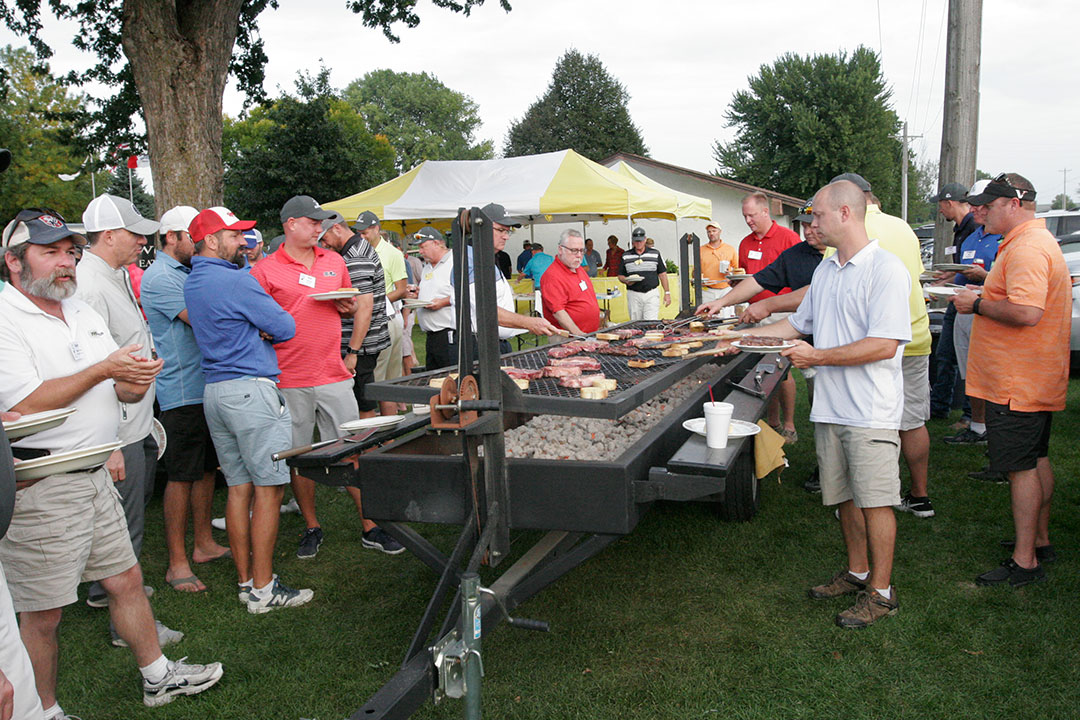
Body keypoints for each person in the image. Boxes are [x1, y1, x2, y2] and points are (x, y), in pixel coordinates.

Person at [0, 210, 222, 713]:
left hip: (95, 470)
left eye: (70, 251)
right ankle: (44, 710)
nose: (66, 262)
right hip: (44, 482)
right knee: (43, 614)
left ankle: (158, 676)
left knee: (124, 579)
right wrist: (104, 369)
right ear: (14, 262)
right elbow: (27, 402)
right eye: (50, 252)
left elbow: (117, 387)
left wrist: (134, 379)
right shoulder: (5, 319)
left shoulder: (78, 309)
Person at [725, 180, 912, 627]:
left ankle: (882, 594)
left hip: (869, 410)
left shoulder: (885, 269)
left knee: (876, 502)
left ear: (846, 214)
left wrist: (819, 356)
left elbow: (885, 344)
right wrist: (734, 339)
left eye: (818, 216)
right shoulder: (827, 270)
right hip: (830, 407)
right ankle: (856, 572)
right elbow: (794, 326)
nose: (812, 224)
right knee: (845, 497)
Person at [183, 205, 317, 612]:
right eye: (235, 235)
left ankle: (247, 583)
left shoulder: (195, 279)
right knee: (269, 490)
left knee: (239, 488)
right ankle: (264, 588)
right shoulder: (236, 280)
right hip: (250, 392)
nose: (243, 242)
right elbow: (286, 327)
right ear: (211, 240)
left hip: (216, 393)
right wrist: (258, 326)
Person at [252, 198, 403, 558]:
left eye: (321, 222)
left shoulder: (334, 261)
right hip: (289, 376)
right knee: (301, 455)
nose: (319, 227)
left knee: (353, 448)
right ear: (290, 224)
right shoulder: (265, 270)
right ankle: (311, 526)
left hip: (333, 371)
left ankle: (371, 524)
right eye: (311, 221)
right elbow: (254, 320)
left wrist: (349, 328)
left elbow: (350, 303)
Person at [952, 174, 1070, 587]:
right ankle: (1039, 541)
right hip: (1031, 376)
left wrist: (978, 303)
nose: (980, 212)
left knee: (1020, 468)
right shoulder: (1026, 243)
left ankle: (1025, 562)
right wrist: (988, 284)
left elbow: (1026, 312)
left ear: (1013, 204)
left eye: (989, 205)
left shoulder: (1029, 247)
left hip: (1018, 380)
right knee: (1036, 459)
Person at [76, 194, 166, 616]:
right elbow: (89, 369)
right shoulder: (90, 283)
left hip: (134, 419)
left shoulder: (113, 274)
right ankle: (123, 615)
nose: (142, 241)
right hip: (118, 426)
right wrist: (108, 441)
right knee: (123, 525)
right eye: (134, 233)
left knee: (127, 515)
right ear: (109, 235)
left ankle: (104, 590)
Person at [140, 206, 230, 596]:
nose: (197, 241)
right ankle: (177, 562)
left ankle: (204, 542)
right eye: (191, 235)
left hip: (203, 384)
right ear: (171, 237)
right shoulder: (161, 276)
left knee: (206, 468)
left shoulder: (187, 271)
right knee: (180, 475)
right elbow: (205, 320)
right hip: (180, 391)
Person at [940, 180, 1002, 446]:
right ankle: (977, 426)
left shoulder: (1003, 238)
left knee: (989, 373)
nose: (976, 210)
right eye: (975, 204)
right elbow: (964, 272)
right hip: (964, 308)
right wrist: (947, 280)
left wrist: (984, 276)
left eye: (981, 205)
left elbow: (1008, 282)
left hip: (989, 312)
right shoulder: (973, 236)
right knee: (970, 372)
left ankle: (995, 429)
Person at [738, 192, 801, 443]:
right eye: (744, 216)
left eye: (752, 215)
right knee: (762, 370)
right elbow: (749, 278)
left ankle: (789, 424)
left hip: (782, 314)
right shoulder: (745, 243)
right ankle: (771, 420)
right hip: (755, 315)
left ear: (766, 212)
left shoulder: (789, 238)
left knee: (782, 370)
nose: (748, 220)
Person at [318, 212, 390, 418]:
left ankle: (365, 447)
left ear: (337, 229)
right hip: (364, 343)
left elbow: (364, 307)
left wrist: (353, 352)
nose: (324, 245)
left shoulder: (356, 256)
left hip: (362, 346)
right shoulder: (354, 250)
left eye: (325, 238)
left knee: (363, 405)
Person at [928, 182, 978, 421]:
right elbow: (962, 267)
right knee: (945, 354)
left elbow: (973, 269)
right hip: (956, 298)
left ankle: (970, 414)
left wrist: (948, 283)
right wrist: (945, 277)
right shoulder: (961, 229)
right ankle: (939, 406)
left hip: (970, 300)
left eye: (941, 205)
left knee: (967, 358)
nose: (940, 211)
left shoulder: (974, 227)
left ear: (948, 203)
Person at [353, 213, 408, 416]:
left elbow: (401, 288)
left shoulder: (392, 254)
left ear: (376, 229)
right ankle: (385, 425)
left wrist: (375, 302)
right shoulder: (359, 252)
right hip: (376, 317)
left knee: (382, 377)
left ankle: (385, 424)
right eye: (359, 233)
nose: (362, 236)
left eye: (365, 232)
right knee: (381, 379)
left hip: (385, 319)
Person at [413, 227, 459, 370]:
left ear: (437, 243)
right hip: (431, 335)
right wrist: (417, 294)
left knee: (449, 379)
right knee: (433, 378)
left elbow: (467, 294)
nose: (420, 251)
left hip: (449, 334)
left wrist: (443, 302)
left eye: (423, 247)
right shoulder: (427, 266)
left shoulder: (455, 263)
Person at [540, 229, 600, 335]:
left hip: (589, 335)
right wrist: (580, 335)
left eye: (582, 251)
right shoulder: (552, 276)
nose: (579, 255)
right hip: (570, 339)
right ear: (560, 249)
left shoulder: (578, 268)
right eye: (574, 250)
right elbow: (558, 312)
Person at [618, 227, 671, 321]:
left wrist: (667, 293)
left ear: (645, 240)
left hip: (651, 292)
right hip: (634, 293)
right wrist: (626, 281)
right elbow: (620, 275)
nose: (639, 243)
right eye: (636, 241)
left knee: (651, 322)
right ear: (633, 241)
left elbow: (662, 274)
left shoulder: (655, 254)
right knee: (635, 322)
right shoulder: (626, 255)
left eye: (641, 241)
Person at [698, 220, 739, 305]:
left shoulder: (730, 249)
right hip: (707, 290)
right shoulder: (701, 250)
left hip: (726, 289)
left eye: (714, 231)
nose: (711, 233)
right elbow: (696, 271)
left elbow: (737, 269)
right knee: (707, 316)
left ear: (720, 232)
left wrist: (730, 274)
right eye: (709, 232)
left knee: (727, 317)